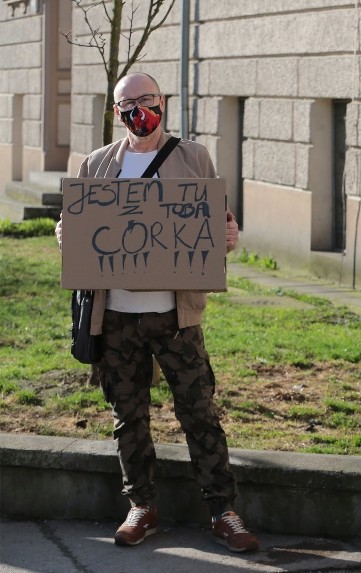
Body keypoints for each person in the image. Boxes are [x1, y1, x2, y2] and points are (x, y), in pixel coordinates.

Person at [55, 72, 259, 553]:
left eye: (146, 100)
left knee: (199, 413)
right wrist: (67, 238)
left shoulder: (193, 158)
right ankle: (141, 507)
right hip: (117, 317)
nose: (138, 110)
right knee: (128, 415)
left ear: (162, 102)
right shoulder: (98, 164)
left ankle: (223, 511)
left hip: (175, 317)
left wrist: (230, 238)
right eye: (127, 103)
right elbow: (78, 233)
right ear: (115, 112)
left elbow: (215, 227)